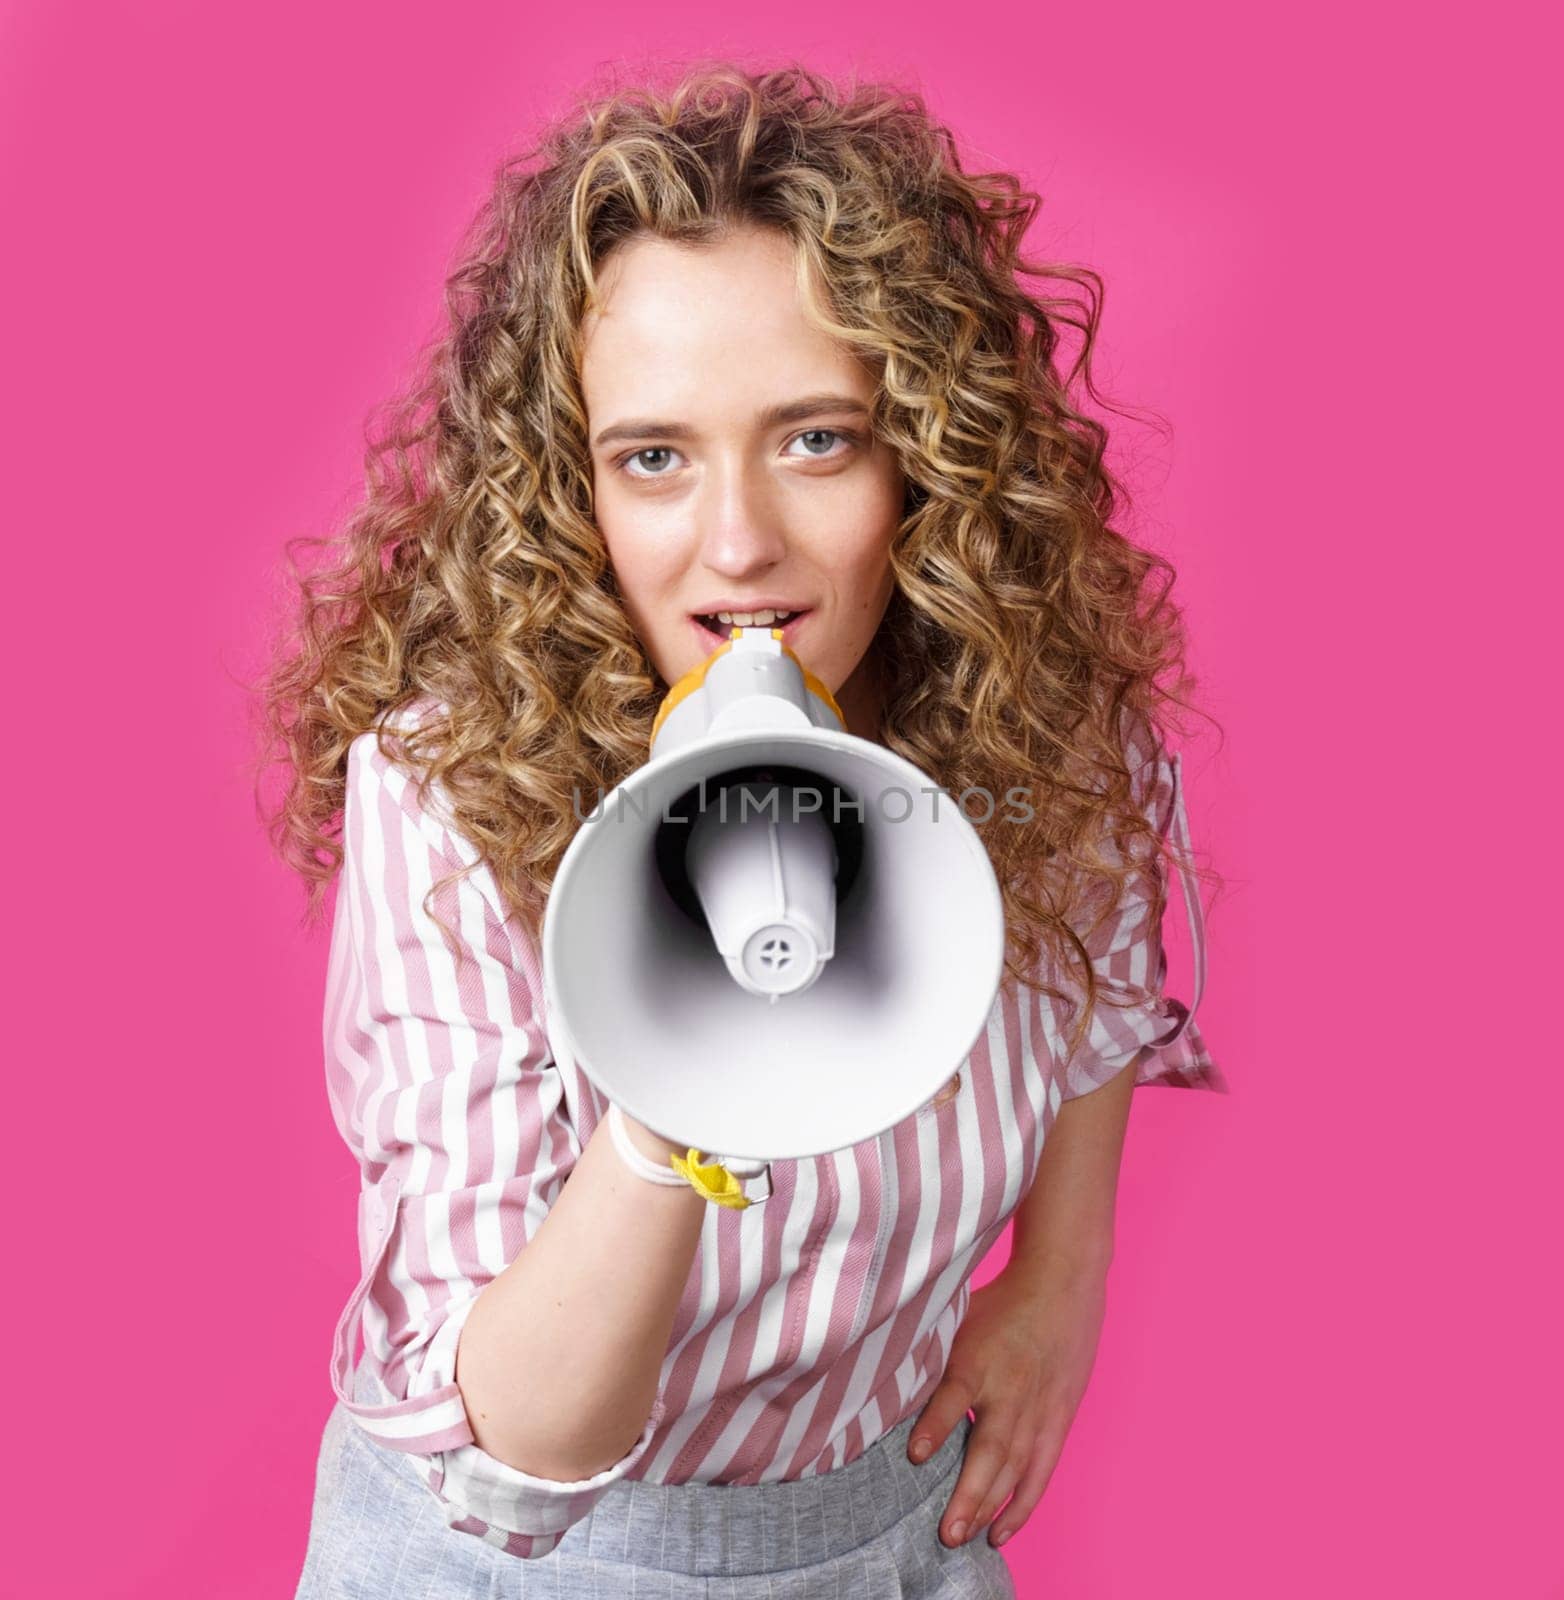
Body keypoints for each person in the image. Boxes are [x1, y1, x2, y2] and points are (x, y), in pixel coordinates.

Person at [254, 59, 1228, 1599]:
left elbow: (1100, 995)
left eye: (817, 440)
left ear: (928, 452)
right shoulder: (447, 787)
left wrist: (1060, 1278)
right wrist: (671, 1096)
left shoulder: (1049, 733)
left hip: (882, 1536)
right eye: (655, 457)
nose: (736, 546)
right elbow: (518, 1452)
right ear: (572, 496)